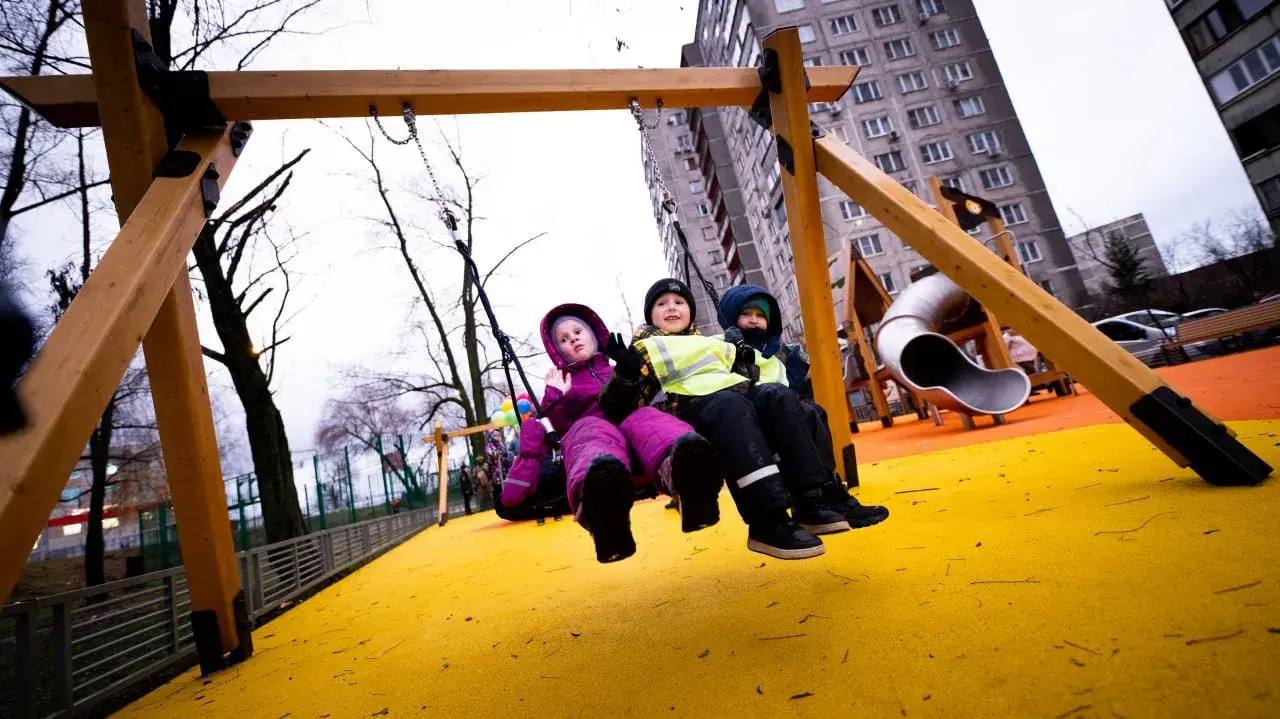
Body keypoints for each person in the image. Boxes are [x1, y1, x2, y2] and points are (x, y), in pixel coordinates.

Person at [600, 278, 850, 560]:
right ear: (650, 315)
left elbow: (745, 377)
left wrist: (744, 353)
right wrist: (626, 375)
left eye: (679, 302)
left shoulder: (711, 343)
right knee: (731, 406)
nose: (672, 308)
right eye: (662, 304)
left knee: (777, 394)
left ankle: (811, 500)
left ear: (691, 311)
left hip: (733, 402)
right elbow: (619, 408)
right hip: (689, 413)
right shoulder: (647, 349)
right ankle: (768, 519)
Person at [501, 303, 722, 563]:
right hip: (593, 434)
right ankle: (603, 508)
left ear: (595, 336)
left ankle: (687, 478)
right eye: (563, 339)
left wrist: (630, 371)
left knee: (648, 418)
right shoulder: (562, 383)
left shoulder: (616, 368)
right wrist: (556, 394)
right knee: (590, 432)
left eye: (578, 332)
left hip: (633, 431)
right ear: (557, 351)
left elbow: (648, 395)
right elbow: (555, 428)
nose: (573, 339)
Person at [716, 284, 889, 529]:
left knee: (813, 411)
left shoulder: (776, 351)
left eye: (760, 315)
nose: (754, 320)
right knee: (780, 396)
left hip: (781, 410)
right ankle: (808, 496)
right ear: (731, 317)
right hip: (749, 414)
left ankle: (828, 491)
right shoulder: (722, 347)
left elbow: (796, 382)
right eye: (746, 314)